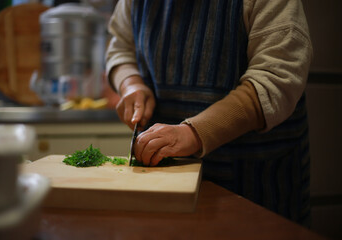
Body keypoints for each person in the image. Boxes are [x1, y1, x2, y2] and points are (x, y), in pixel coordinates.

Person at [106, 0, 313, 226]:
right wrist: (131, 83)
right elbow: (120, 48)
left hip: (256, 191)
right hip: (167, 195)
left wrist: (194, 133)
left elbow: (276, 77)